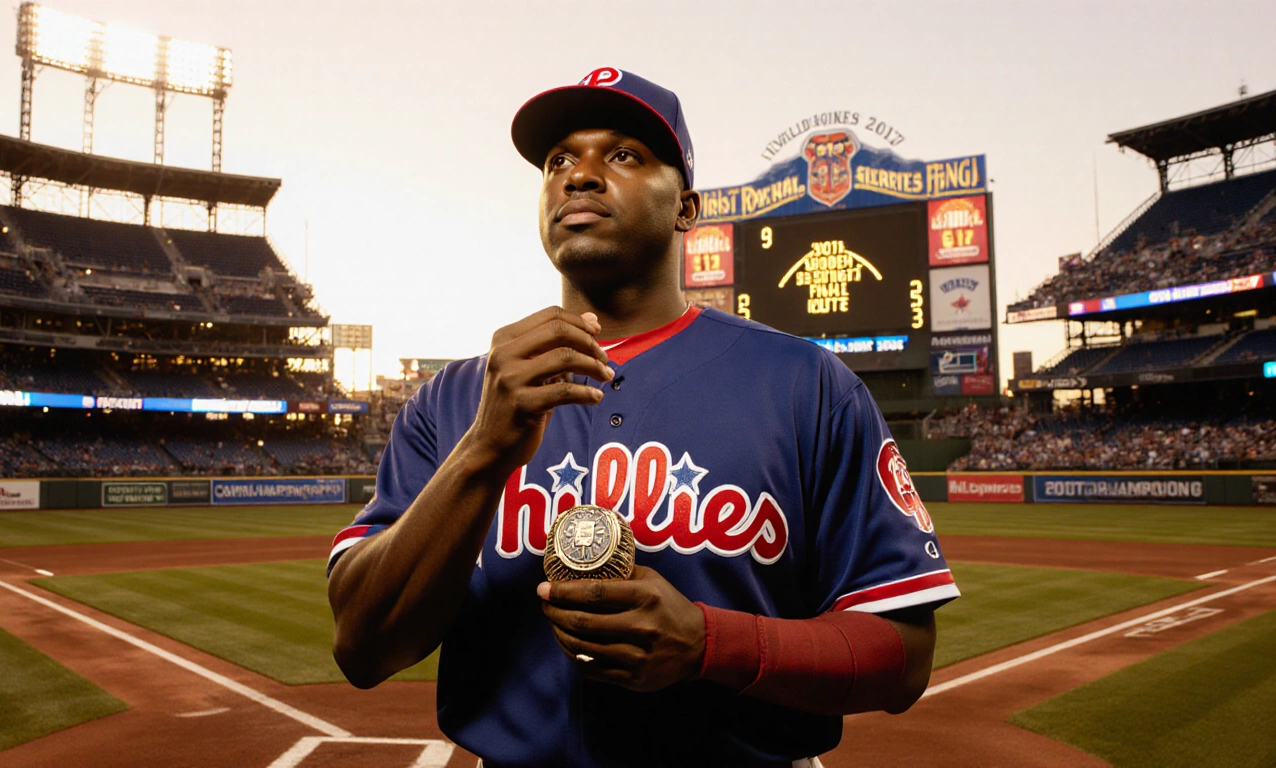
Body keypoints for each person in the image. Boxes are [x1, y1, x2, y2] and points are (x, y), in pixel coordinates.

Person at [328, 68, 959, 767]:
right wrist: (482, 450)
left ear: (687, 208)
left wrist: (709, 642)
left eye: (622, 154)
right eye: (558, 160)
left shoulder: (806, 384)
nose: (580, 175)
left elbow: (902, 658)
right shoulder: (451, 400)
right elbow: (361, 645)